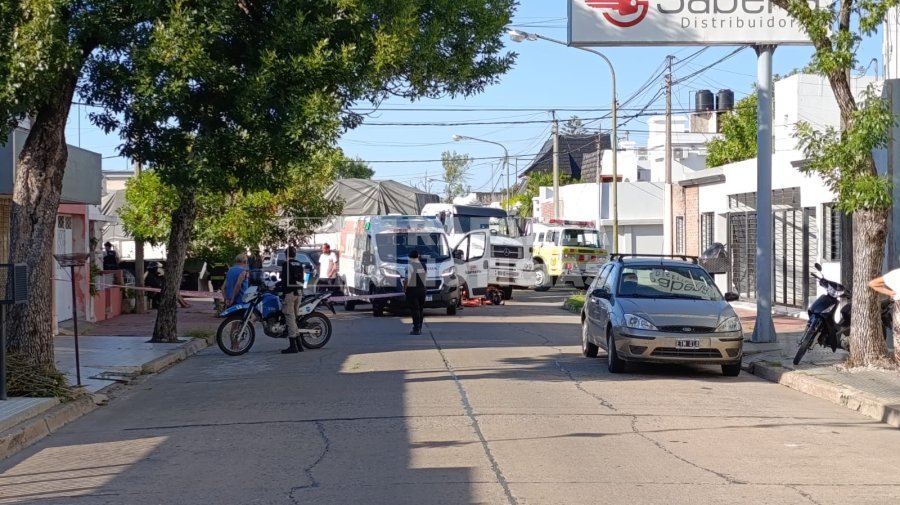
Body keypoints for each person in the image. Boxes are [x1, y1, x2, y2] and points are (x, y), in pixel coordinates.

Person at [279, 246, 305, 354]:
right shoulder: (299, 264)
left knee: (289, 318)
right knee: (293, 318)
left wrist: (278, 287)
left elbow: (284, 279)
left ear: (286, 255)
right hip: (299, 293)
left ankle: (293, 346)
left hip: (289, 293)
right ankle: (299, 345)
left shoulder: (286, 264)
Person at [403, 249, 427, 335]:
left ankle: (416, 328)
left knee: (414, 309)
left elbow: (407, 279)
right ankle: (419, 326)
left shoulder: (409, 266)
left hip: (412, 290)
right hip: (422, 289)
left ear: (410, 257)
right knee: (420, 309)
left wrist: (404, 288)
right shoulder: (423, 265)